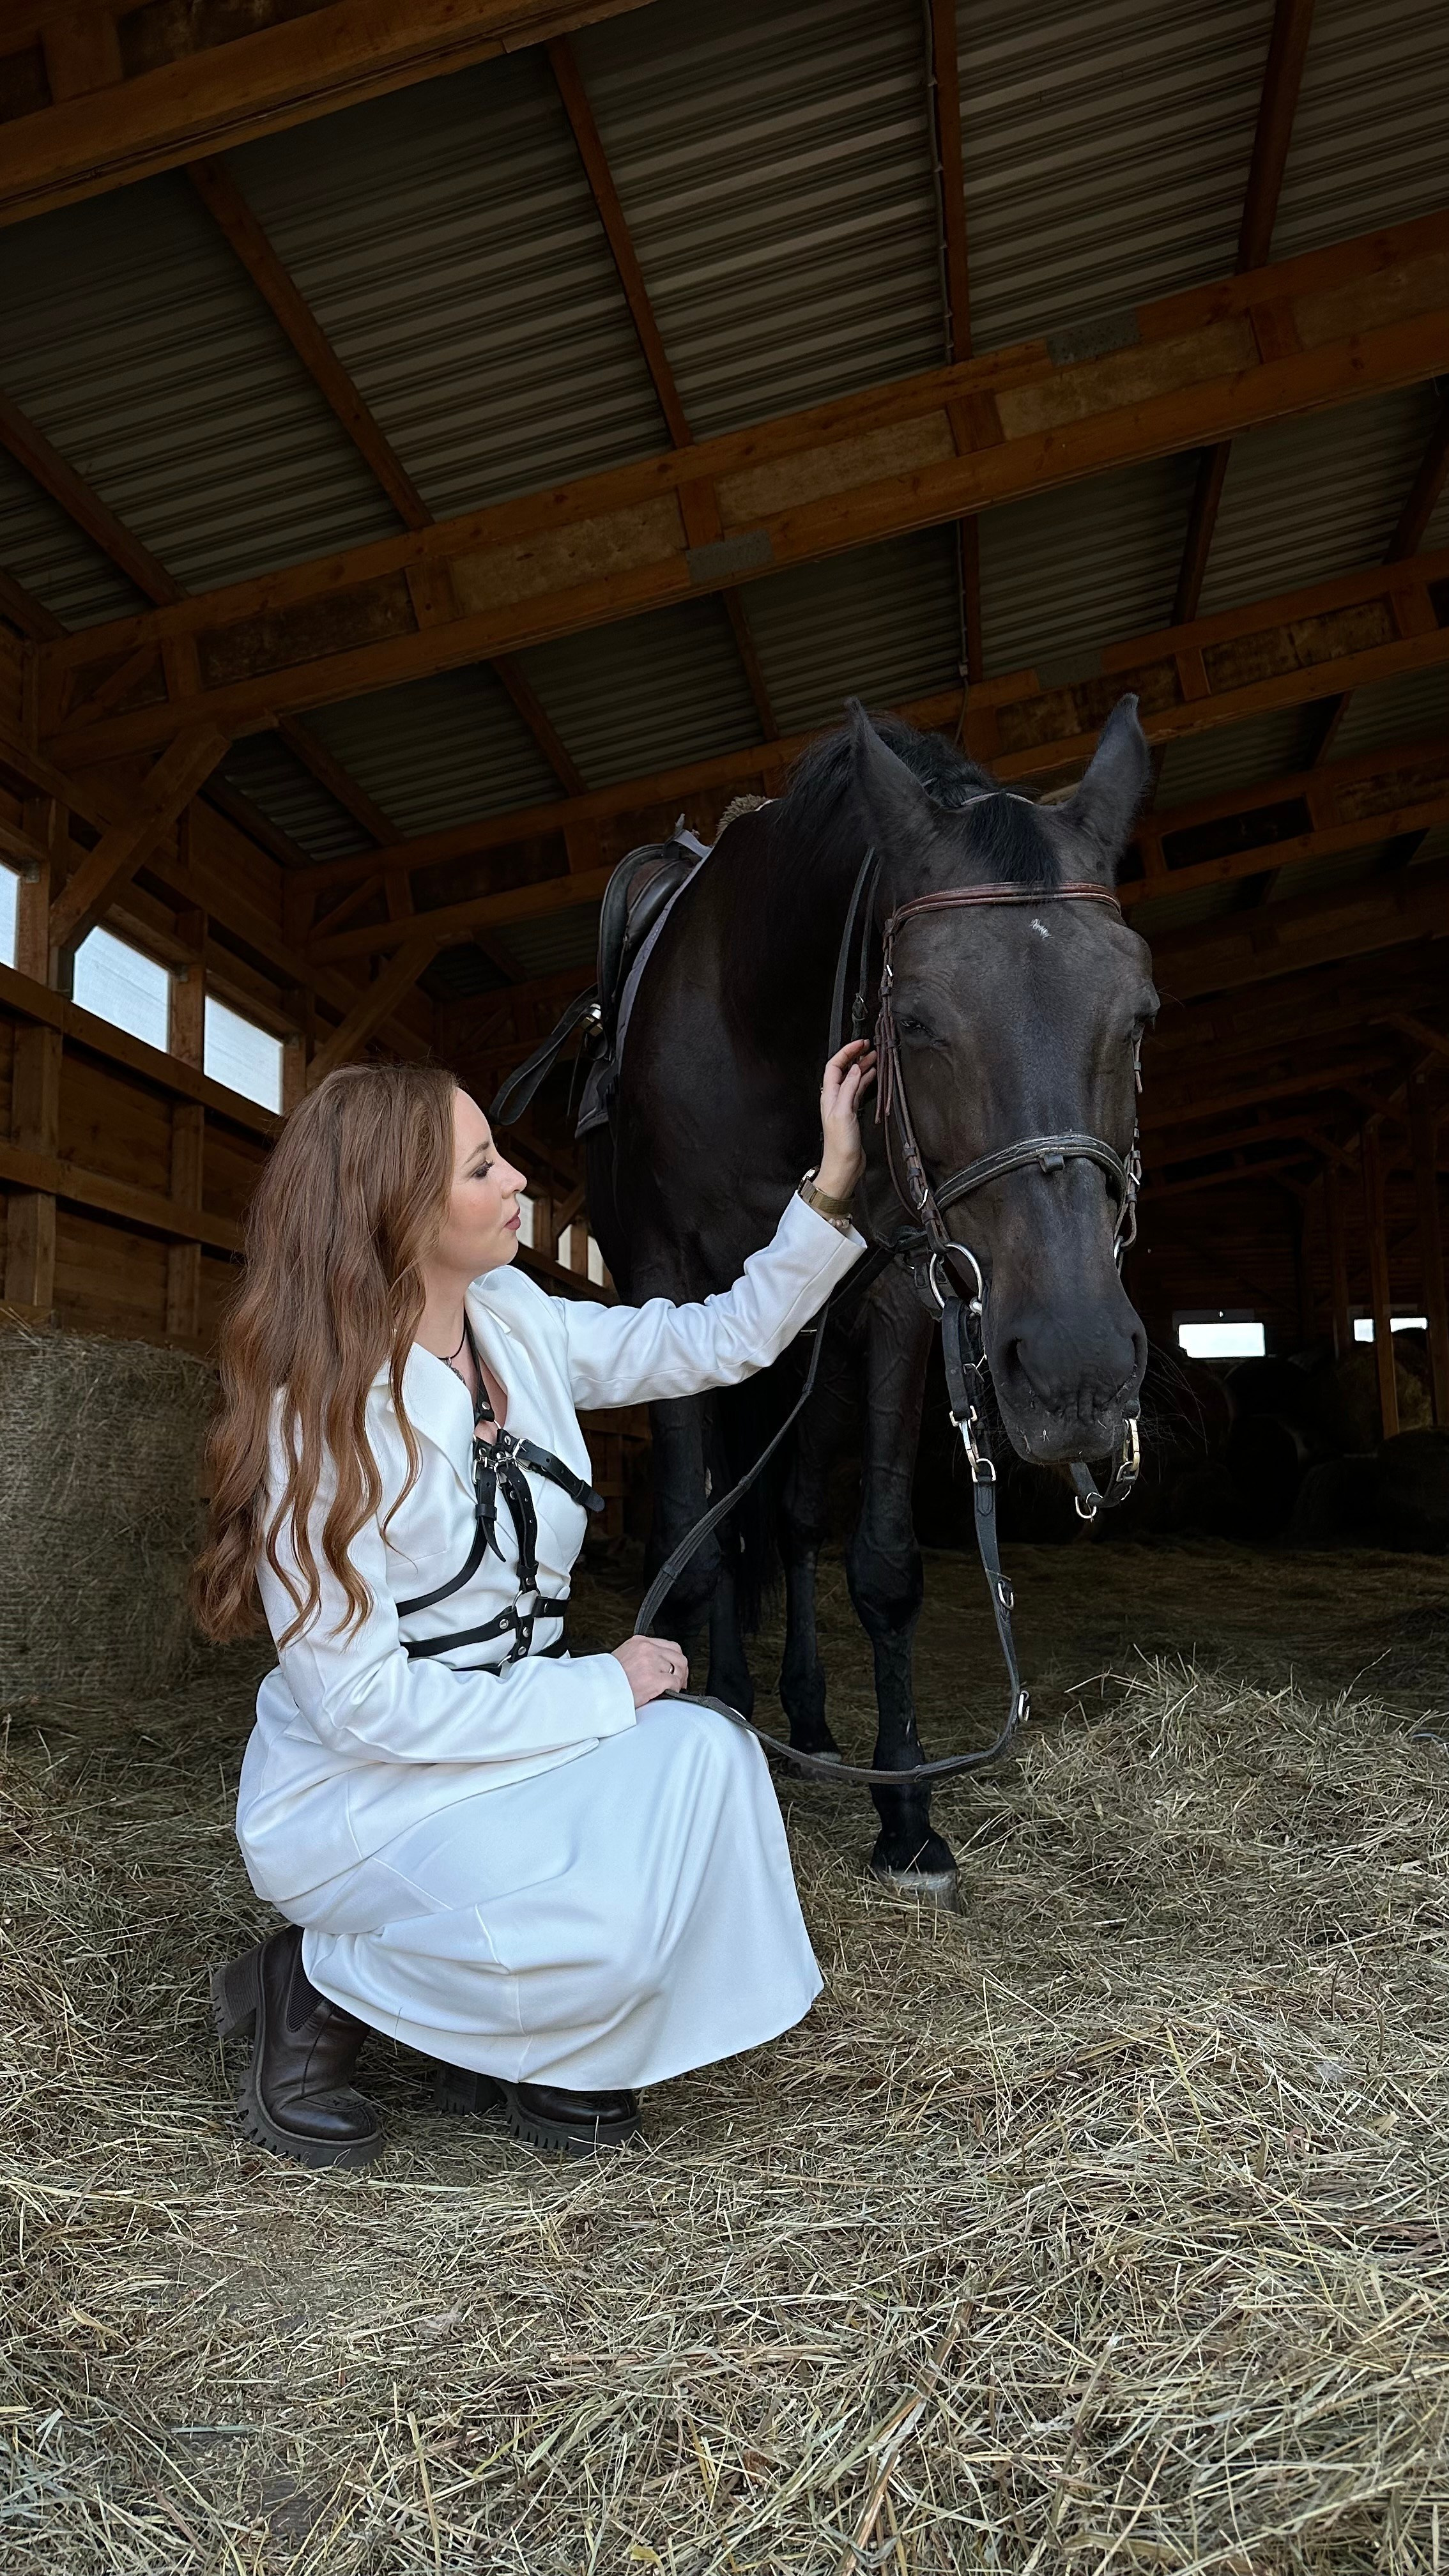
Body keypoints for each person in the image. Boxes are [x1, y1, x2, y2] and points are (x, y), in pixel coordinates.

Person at [195, 1040, 874, 2168]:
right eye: (481, 1169)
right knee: (601, 1925)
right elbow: (366, 1712)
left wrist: (832, 1185)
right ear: (398, 1212)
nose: (518, 1180)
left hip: (514, 1741)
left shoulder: (515, 1321)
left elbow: (718, 1338)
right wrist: (601, 1688)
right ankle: (311, 1986)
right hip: (372, 1793)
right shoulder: (315, 1424)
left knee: (709, 1759)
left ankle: (555, 2051)